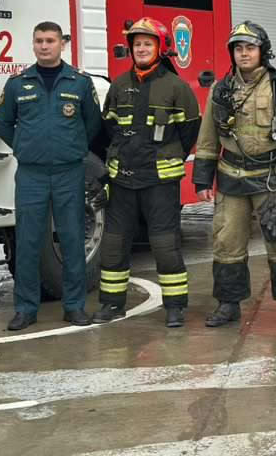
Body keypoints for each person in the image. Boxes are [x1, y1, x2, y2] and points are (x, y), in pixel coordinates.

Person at [192, 21, 276, 329]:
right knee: (226, 242)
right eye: (238, 49)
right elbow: (207, 136)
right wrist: (202, 179)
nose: (243, 54)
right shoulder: (220, 89)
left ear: (263, 52)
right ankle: (228, 305)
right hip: (231, 177)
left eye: (250, 48)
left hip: (270, 178)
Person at [92, 18, 201, 328]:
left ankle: (175, 307)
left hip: (159, 181)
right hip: (123, 179)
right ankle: (112, 304)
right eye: (137, 44)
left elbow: (188, 132)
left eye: (147, 43)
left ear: (160, 48)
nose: (141, 48)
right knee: (114, 244)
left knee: (165, 245)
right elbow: (109, 126)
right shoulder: (119, 85)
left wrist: (162, 155)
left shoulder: (177, 87)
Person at [0, 21, 101, 330]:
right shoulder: (17, 84)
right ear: (33, 44)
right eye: (39, 40)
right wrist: (26, 148)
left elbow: (92, 124)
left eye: (50, 40)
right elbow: (3, 124)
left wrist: (72, 148)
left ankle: (74, 306)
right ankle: (26, 309)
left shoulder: (79, 82)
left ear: (62, 44)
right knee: (27, 242)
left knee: (71, 239)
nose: (44, 46)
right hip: (31, 175)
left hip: (69, 172)